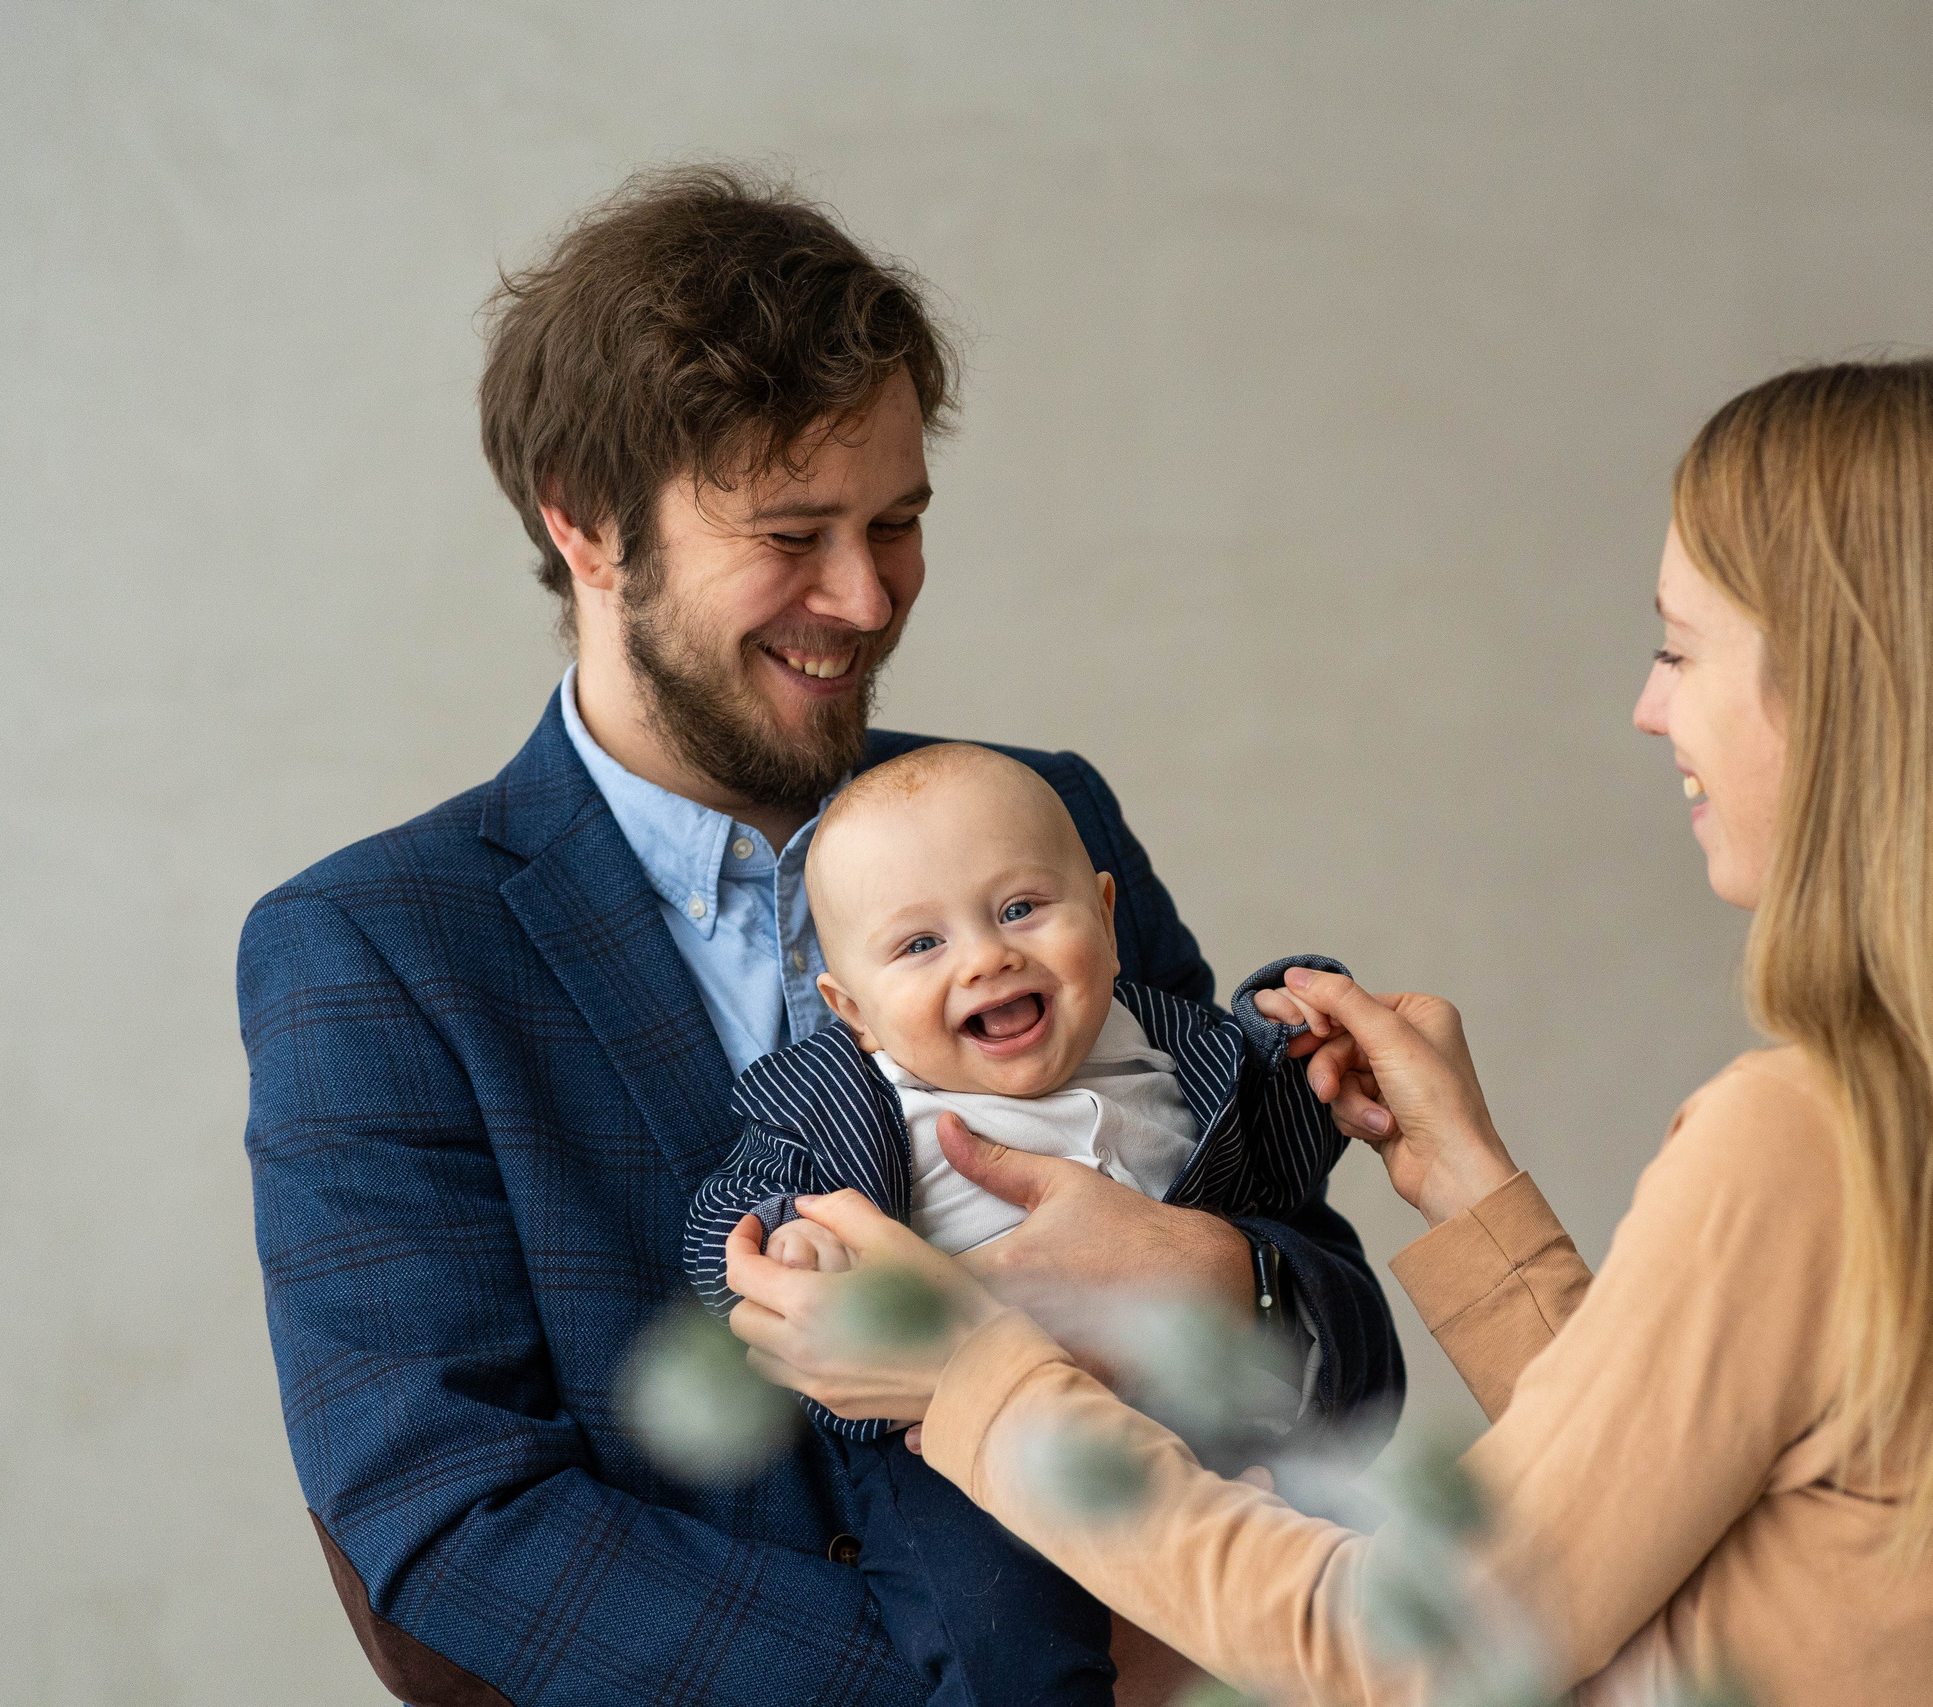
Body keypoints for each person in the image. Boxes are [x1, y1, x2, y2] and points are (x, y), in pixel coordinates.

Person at [723, 357, 1933, 1706]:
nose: (1648, 704)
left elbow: (1423, 1644)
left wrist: (974, 1381)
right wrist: (1480, 1204)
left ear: (1848, 689)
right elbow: (1763, 1536)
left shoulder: (1806, 1139)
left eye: (1679, 647)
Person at [239, 165, 1401, 1707]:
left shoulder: (1045, 822)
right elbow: (452, 1519)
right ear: (586, 527)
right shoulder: (375, 952)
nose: (863, 596)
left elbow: (1343, 1349)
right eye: (792, 534)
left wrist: (1216, 1283)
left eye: (899, 521)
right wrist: (980, 1683)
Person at [681, 742, 1352, 1705]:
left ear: (1109, 920)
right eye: (921, 945)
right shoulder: (851, 1100)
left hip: (1195, 1430)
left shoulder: (1179, 1053)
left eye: (1020, 909)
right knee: (1012, 1648)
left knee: (1312, 1610)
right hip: (959, 1461)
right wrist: (796, 1243)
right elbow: (726, 1220)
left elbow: (1281, 1176)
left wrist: (1299, 1046)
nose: (988, 956)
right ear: (852, 1010)